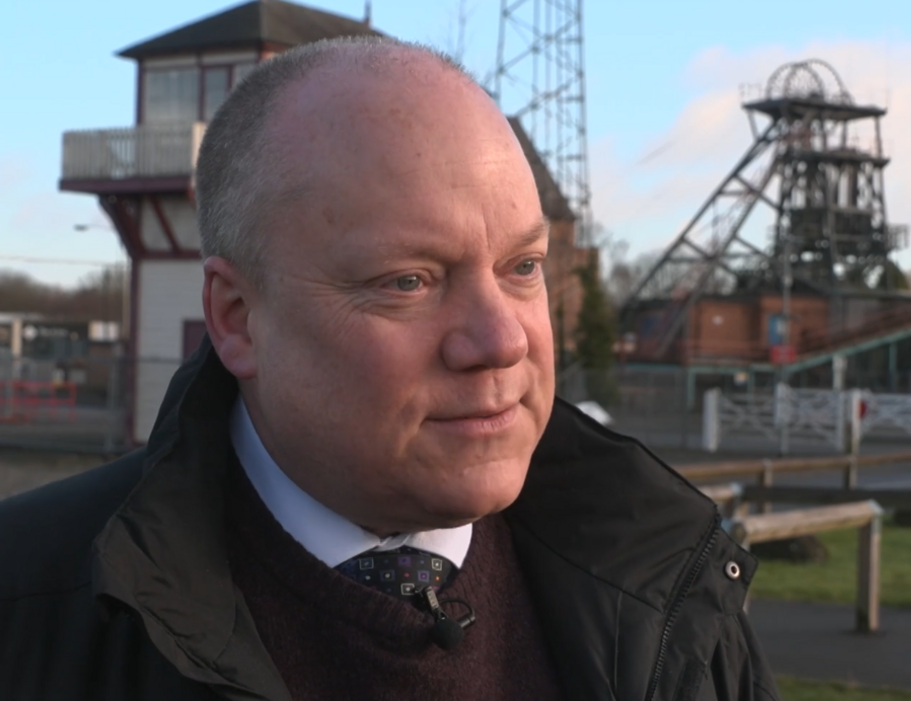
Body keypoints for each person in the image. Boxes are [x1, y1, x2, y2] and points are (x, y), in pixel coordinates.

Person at [0, 36, 778, 700]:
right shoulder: (31, 608)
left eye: (524, 265)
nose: (500, 341)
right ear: (236, 316)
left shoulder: (674, 599)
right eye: (408, 281)